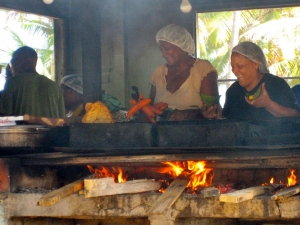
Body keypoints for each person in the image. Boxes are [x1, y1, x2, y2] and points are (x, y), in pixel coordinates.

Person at [150, 24, 221, 121]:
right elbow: (149, 108)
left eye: (166, 48)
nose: (163, 54)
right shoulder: (159, 72)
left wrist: (188, 114)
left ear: (181, 45)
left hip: (194, 134)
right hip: (160, 134)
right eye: (161, 49)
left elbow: (213, 112)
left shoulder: (202, 69)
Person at [222, 41, 300, 120]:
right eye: (232, 66)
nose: (234, 71)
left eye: (240, 66)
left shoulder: (276, 85)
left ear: (256, 64)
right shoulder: (233, 91)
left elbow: (296, 115)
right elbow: (226, 121)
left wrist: (269, 104)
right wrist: (213, 117)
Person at [0, 46, 65, 118]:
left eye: (12, 60)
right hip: (52, 129)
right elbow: (62, 120)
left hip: (23, 129)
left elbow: (5, 117)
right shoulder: (54, 86)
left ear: (21, 61)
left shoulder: (12, 83)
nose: (10, 66)